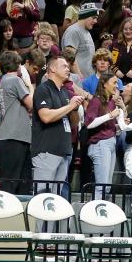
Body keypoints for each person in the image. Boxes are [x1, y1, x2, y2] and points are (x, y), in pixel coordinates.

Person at [32, 55, 85, 195]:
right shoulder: (43, 89)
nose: (68, 69)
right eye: (64, 66)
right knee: (42, 197)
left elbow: (73, 123)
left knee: (55, 200)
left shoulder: (65, 92)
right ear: (53, 69)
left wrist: (74, 108)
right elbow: (46, 117)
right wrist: (70, 106)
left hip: (64, 151)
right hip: (47, 151)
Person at [0, 51, 33, 194]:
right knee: (14, 183)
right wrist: (29, 85)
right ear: (17, 65)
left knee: (12, 180)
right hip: (15, 137)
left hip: (9, 136)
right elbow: (31, 104)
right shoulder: (15, 80)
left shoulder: (3, 81)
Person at [84, 73, 125, 198]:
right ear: (104, 84)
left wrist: (117, 126)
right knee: (101, 186)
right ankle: (95, 215)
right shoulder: (96, 101)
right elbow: (89, 123)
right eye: (114, 82)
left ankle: (102, 213)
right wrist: (110, 116)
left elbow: (106, 124)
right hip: (100, 144)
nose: (116, 86)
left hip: (110, 143)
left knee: (106, 187)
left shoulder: (111, 102)